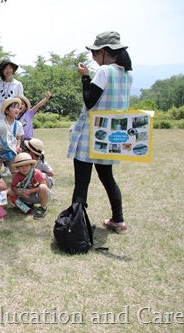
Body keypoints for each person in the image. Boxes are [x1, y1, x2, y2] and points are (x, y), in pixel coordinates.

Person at [68, 31, 132, 233]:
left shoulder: (104, 71)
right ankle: (119, 220)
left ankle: (76, 226)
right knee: (108, 179)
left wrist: (85, 77)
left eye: (95, 53)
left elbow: (89, 101)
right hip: (109, 135)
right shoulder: (128, 74)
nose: (93, 58)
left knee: (82, 183)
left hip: (90, 134)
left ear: (104, 51)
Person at [8, 153, 50, 219]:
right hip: (26, 195)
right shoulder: (17, 175)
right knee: (10, 192)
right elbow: (13, 187)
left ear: (31, 165)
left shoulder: (37, 172)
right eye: (21, 166)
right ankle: (25, 205)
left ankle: (42, 208)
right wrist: (19, 192)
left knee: (43, 187)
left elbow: (45, 185)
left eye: (27, 165)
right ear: (17, 167)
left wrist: (31, 191)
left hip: (38, 195)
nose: (24, 168)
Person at [0, 97, 24, 175]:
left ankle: (15, 185)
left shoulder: (19, 124)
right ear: (6, 110)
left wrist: (18, 147)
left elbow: (18, 138)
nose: (16, 110)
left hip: (12, 151)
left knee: (16, 172)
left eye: (18, 108)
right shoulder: (0, 124)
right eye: (13, 107)